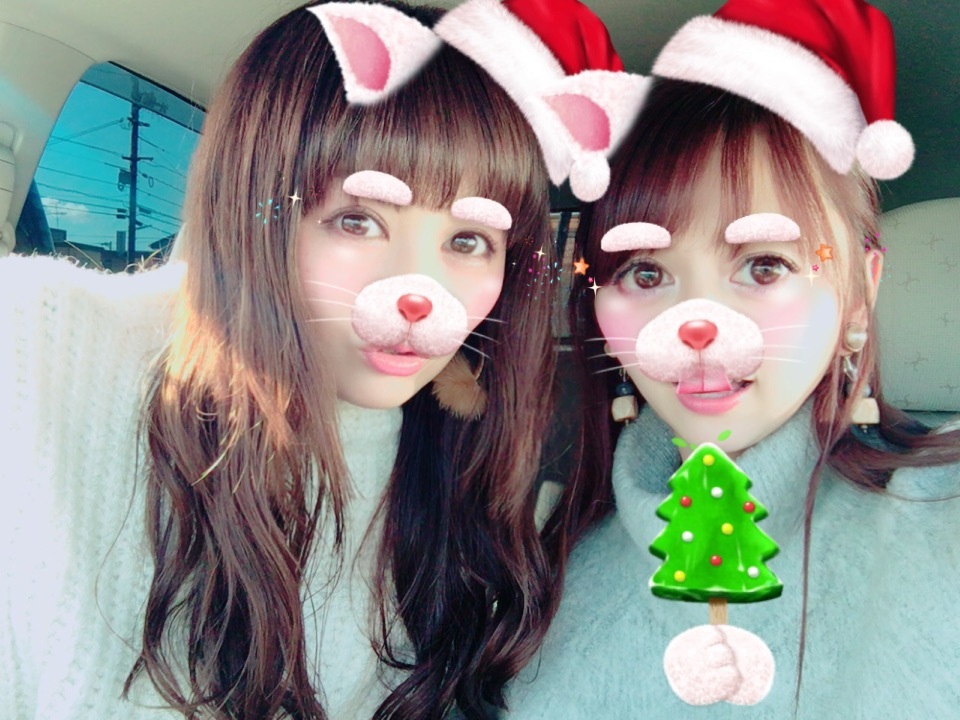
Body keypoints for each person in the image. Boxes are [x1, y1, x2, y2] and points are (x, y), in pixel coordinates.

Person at [0, 2, 566, 718]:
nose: (420, 292)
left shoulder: (466, 475)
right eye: (356, 220)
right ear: (252, 212)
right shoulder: (40, 352)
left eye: (468, 241)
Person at [513, 1, 960, 717]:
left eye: (763, 265)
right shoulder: (539, 561)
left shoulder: (941, 514)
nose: (696, 323)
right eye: (646, 273)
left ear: (858, 291)